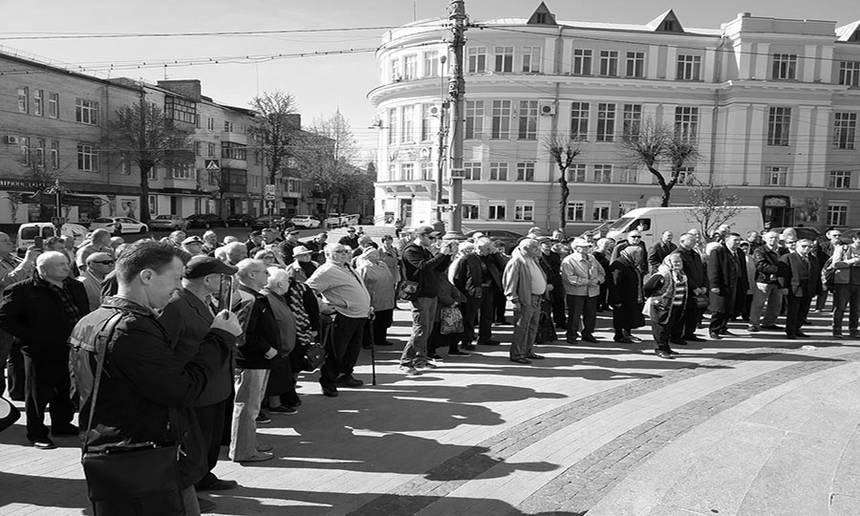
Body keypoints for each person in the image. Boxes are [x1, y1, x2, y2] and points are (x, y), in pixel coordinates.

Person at [68, 241, 242, 514]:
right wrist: (220, 337)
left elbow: (77, 391)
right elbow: (183, 390)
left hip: (117, 451)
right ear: (146, 276)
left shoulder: (91, 320)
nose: (178, 287)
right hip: (142, 459)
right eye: (175, 278)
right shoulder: (132, 328)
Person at [158, 256, 242, 509]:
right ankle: (189, 491)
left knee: (211, 440)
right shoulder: (176, 304)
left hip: (215, 385)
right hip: (197, 388)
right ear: (207, 280)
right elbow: (168, 349)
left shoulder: (207, 301)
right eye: (222, 277)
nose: (227, 281)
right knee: (195, 443)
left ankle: (204, 477)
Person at [0, 251, 89, 450]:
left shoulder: (75, 286)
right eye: (60, 265)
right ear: (43, 269)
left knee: (65, 388)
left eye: (66, 263)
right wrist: (31, 337)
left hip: (70, 347)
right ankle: (37, 432)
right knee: (38, 394)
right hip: (40, 351)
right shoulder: (22, 290)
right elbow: (5, 318)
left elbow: (82, 311)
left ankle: (62, 424)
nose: (66, 267)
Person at [306, 243, 372, 395]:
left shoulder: (347, 267)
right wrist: (324, 306)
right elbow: (307, 291)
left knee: (352, 350)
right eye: (339, 251)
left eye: (346, 251)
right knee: (336, 351)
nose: (344, 253)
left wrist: (366, 305)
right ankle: (328, 381)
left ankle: (345, 375)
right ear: (328, 254)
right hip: (342, 316)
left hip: (359, 315)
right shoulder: (327, 270)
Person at [229, 259, 277, 462]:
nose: (268, 275)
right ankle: (243, 451)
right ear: (251, 275)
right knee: (247, 407)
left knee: (252, 407)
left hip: (257, 360)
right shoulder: (247, 297)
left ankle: (248, 444)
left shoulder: (253, 296)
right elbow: (241, 333)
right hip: (250, 361)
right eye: (265, 272)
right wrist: (266, 348)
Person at [398, 227, 454, 375]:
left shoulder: (425, 249)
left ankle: (420, 359)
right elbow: (424, 267)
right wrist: (441, 253)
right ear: (421, 236)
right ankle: (406, 361)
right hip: (419, 295)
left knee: (427, 330)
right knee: (420, 330)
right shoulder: (411, 250)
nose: (433, 241)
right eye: (431, 238)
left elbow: (438, 268)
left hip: (430, 293)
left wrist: (447, 255)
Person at [0, 233, 38, 400]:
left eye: (9, 239)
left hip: (20, 312)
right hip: (3, 316)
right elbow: (8, 282)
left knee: (15, 353)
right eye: (5, 240)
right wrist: (27, 260)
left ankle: (16, 391)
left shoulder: (11, 259)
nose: (10, 242)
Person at [260, 267, 299, 415]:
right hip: (273, 347)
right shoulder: (266, 297)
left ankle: (275, 403)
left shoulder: (277, 296)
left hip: (283, 347)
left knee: (278, 377)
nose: (289, 285)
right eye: (287, 282)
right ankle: (270, 405)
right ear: (281, 284)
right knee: (270, 379)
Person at [503, 238, 547, 364]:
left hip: (536, 298)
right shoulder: (517, 261)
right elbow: (510, 282)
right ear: (525, 249)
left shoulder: (533, 259)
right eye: (535, 248)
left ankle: (527, 351)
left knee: (532, 327)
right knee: (522, 328)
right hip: (525, 299)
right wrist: (514, 299)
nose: (538, 250)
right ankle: (517, 354)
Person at [643, 253, 688, 359]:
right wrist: (653, 299)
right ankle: (660, 349)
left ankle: (666, 347)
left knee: (668, 328)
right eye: (675, 262)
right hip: (661, 307)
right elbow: (647, 288)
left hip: (674, 306)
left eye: (679, 261)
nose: (678, 263)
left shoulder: (680, 273)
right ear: (669, 262)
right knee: (661, 329)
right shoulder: (662, 274)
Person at [562, 238, 605, 344]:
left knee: (590, 315)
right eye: (584, 246)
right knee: (574, 315)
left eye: (588, 246)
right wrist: (588, 282)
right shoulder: (569, 260)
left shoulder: (592, 258)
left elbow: (602, 272)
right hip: (576, 292)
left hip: (592, 292)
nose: (587, 248)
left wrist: (598, 281)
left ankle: (587, 334)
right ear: (576, 248)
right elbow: (569, 278)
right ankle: (571, 336)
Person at [778, 239, 820, 339]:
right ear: (796, 247)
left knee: (803, 311)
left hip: (808, 289)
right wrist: (783, 287)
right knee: (793, 311)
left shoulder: (813, 258)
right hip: (794, 288)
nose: (807, 249)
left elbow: (816, 274)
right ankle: (790, 331)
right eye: (804, 246)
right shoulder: (788, 257)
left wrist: (818, 288)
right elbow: (782, 274)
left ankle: (797, 328)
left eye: (809, 247)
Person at [356, 248, 396, 349]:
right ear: (368, 256)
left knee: (385, 320)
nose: (377, 256)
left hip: (387, 296)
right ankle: (367, 341)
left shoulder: (383, 265)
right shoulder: (364, 268)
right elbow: (361, 284)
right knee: (373, 321)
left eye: (377, 254)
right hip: (374, 298)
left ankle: (381, 339)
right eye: (374, 254)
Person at [707, 233, 742, 339]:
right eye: (735, 240)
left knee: (728, 308)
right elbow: (713, 269)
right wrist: (714, 285)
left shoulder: (738, 252)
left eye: (739, 240)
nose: (737, 243)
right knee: (719, 309)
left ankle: (723, 327)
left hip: (734, 284)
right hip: (721, 285)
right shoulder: (718, 252)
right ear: (727, 240)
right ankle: (714, 330)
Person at [608, 245, 646, 344]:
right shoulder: (618, 264)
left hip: (630, 296)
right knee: (620, 316)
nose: (639, 258)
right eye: (638, 255)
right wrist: (616, 299)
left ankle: (627, 334)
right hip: (621, 297)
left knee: (628, 316)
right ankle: (619, 335)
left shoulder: (629, 263)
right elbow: (614, 284)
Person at [449, 241, 482, 351]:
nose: (473, 251)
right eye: (470, 249)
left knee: (469, 319)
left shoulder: (470, 259)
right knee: (466, 319)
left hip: (468, 293)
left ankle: (467, 339)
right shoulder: (462, 260)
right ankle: (464, 341)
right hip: (464, 294)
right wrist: (463, 293)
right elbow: (456, 279)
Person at [675, 232, 708, 343]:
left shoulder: (695, 253)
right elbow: (682, 273)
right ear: (682, 241)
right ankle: (677, 336)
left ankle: (689, 333)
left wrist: (704, 285)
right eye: (691, 240)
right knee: (682, 314)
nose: (694, 242)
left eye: (695, 240)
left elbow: (702, 270)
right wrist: (694, 286)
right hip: (685, 289)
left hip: (698, 288)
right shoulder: (678, 254)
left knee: (694, 313)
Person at [749, 231, 784, 332]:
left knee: (776, 304)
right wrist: (779, 270)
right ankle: (753, 324)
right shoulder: (760, 250)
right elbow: (761, 265)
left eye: (776, 238)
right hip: (763, 281)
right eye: (771, 238)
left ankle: (769, 323)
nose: (773, 240)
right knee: (758, 304)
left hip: (778, 282)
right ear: (765, 238)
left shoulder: (783, 251)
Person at [829, 232, 860, 339]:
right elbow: (835, 264)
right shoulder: (843, 248)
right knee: (840, 307)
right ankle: (837, 329)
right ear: (854, 239)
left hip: (858, 283)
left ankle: (854, 329)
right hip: (843, 283)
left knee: (856, 309)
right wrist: (852, 261)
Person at [538, 237, 566, 330]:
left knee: (559, 303)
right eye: (545, 244)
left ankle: (560, 322)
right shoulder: (538, 257)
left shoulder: (555, 256)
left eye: (549, 244)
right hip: (544, 283)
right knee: (545, 305)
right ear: (540, 245)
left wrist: (555, 283)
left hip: (556, 282)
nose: (548, 245)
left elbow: (557, 270)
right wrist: (547, 284)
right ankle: (546, 324)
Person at [593, 238, 615, 312]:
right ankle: (597, 305)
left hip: (607, 274)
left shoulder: (607, 253)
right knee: (600, 291)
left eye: (608, 245)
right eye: (605, 245)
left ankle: (604, 305)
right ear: (599, 245)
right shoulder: (595, 254)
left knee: (605, 291)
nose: (607, 246)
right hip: (600, 274)